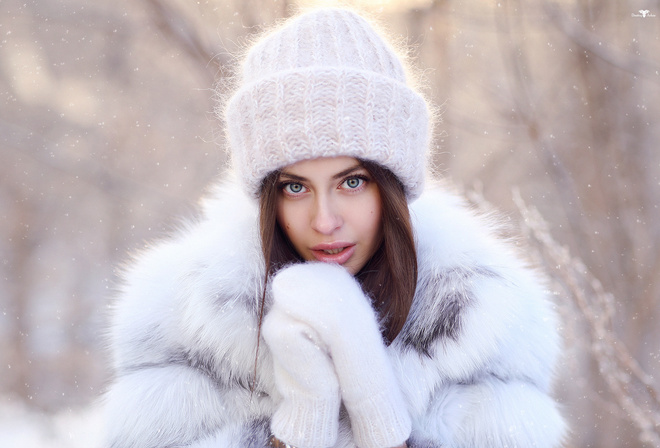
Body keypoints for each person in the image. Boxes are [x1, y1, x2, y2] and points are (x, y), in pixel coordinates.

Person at [104, 7, 566, 448]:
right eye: (295, 188)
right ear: (267, 198)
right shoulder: (184, 324)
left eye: (352, 182)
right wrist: (301, 420)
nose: (325, 221)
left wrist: (380, 415)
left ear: (391, 188)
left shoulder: (483, 325)